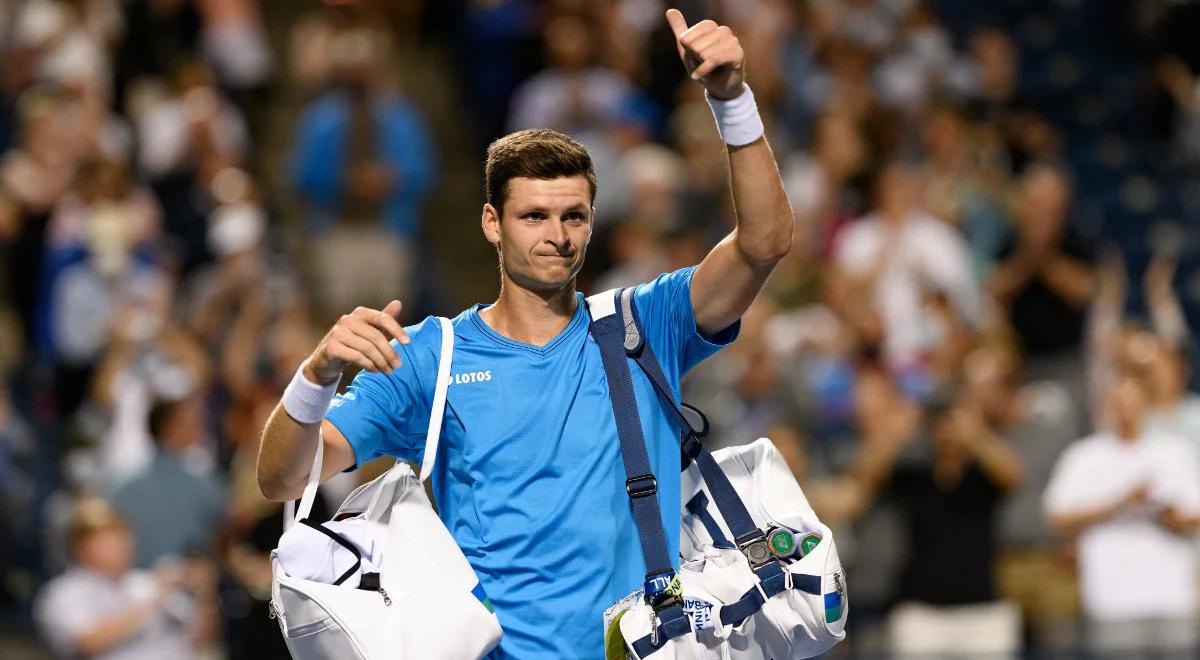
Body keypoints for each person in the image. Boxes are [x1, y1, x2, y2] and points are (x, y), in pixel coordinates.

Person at [257, 10, 793, 658]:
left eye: (573, 216)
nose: (557, 235)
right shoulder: (434, 355)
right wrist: (314, 377)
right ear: (491, 223)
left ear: (592, 223)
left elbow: (763, 243)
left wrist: (732, 99)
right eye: (534, 215)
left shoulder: (644, 323)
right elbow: (284, 479)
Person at [1043, 371, 1200, 658]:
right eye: (1119, 403)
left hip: (1171, 597)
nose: (1126, 411)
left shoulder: (1174, 452)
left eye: (1133, 402)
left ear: (1147, 404)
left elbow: (1194, 518)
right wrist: (1122, 502)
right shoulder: (1084, 456)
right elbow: (1056, 517)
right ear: (1107, 406)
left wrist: (1163, 513)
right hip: (1112, 600)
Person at [33, 498, 216, 659]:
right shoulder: (64, 591)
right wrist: (156, 599)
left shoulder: (145, 581)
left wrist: (205, 594)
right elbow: (86, 643)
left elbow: (200, 640)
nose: (121, 545)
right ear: (80, 548)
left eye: (123, 537)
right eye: (107, 540)